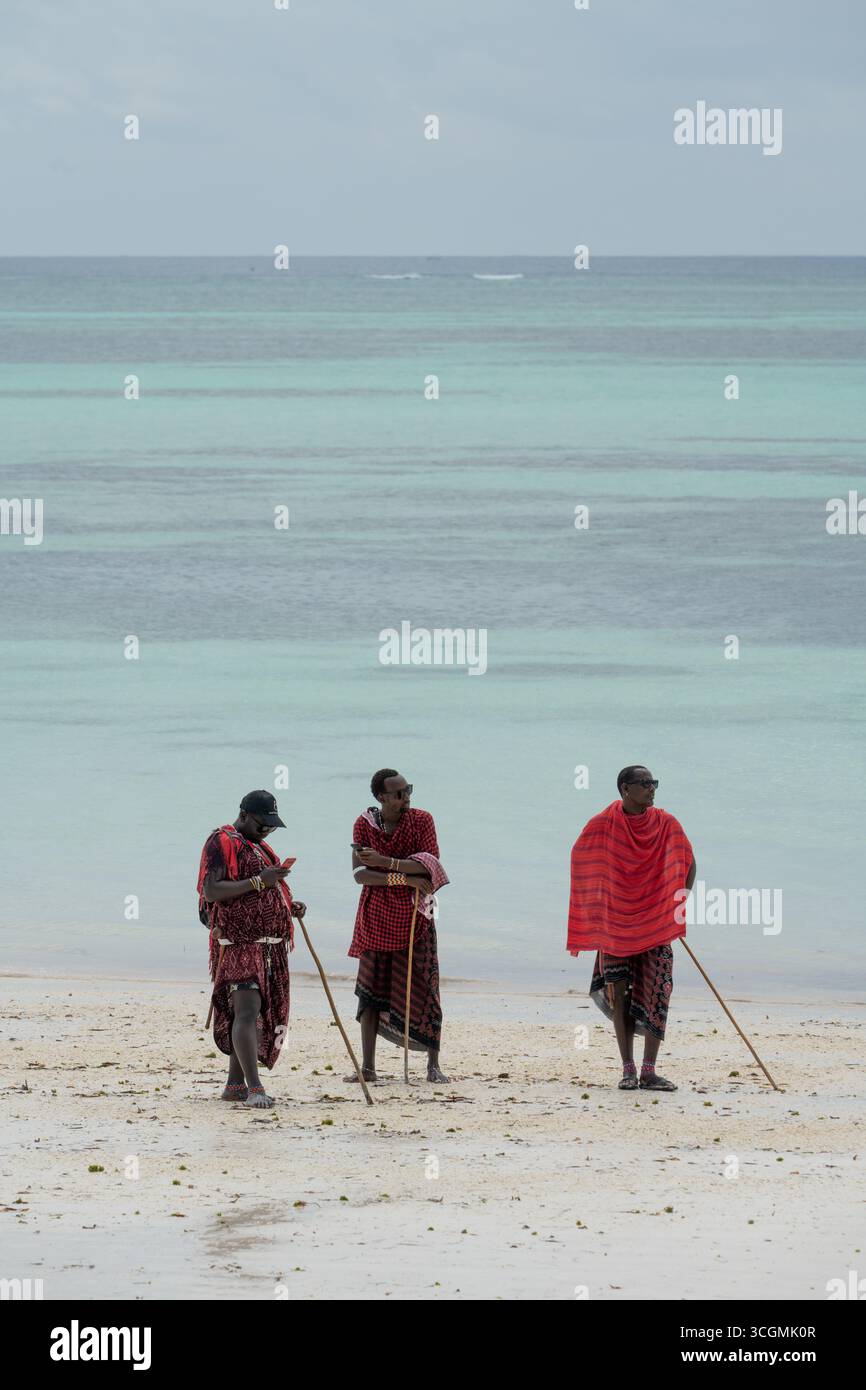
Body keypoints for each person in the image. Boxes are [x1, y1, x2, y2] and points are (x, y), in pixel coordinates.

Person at [567, 766, 695, 1092]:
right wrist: (597, 908)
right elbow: (582, 859)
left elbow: (688, 862)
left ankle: (649, 1071)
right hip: (615, 926)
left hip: (655, 924)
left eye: (655, 783)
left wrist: (676, 905)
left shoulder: (666, 823)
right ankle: (628, 1069)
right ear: (626, 789)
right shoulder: (602, 824)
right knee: (620, 996)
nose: (652, 789)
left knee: (658, 992)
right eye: (645, 784)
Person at [197, 790, 306, 1108]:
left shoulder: (258, 846)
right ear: (244, 815)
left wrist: (288, 906)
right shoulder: (220, 841)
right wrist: (260, 882)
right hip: (240, 945)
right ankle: (255, 1089)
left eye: (272, 826)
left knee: (253, 1013)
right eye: (262, 825)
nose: (267, 831)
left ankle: (235, 1085)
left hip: (269, 948)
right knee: (246, 1012)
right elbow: (212, 890)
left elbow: (267, 887)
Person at [347, 770, 449, 1083]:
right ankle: (368, 1067)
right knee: (370, 993)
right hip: (376, 916)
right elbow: (361, 874)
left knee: (426, 986)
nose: (406, 798)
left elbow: (429, 864)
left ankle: (433, 1066)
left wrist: (386, 862)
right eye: (399, 794)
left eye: (408, 791)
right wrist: (403, 877)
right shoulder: (364, 824)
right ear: (381, 797)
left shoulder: (421, 820)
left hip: (416, 916)